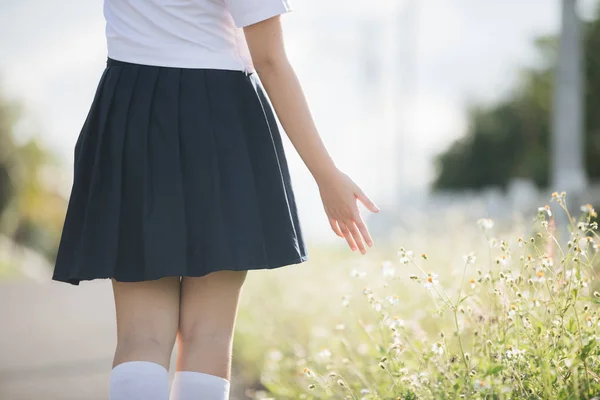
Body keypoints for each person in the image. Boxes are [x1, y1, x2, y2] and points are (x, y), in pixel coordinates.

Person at [52, 0, 379, 399]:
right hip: (219, 117)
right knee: (207, 336)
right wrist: (327, 175)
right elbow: (270, 59)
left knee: (142, 337)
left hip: (130, 110)